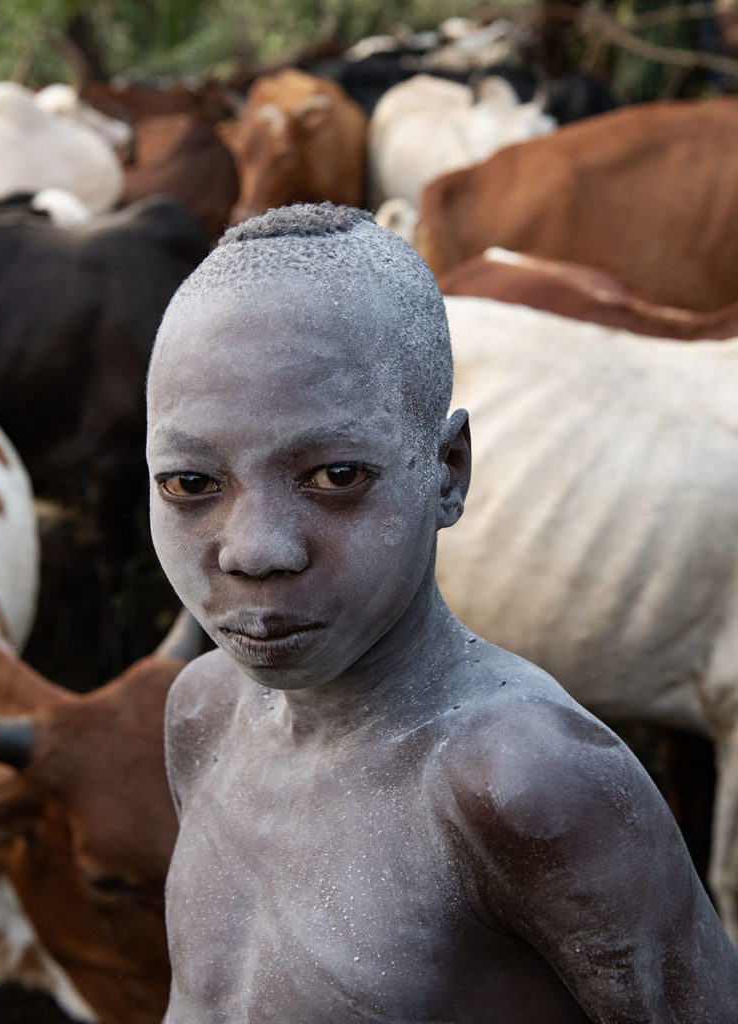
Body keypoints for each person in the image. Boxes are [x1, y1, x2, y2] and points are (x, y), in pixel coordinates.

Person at [145, 202, 738, 1023]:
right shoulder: (204, 715)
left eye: (337, 476)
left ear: (448, 471)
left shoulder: (528, 784)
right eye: (190, 484)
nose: (254, 551)